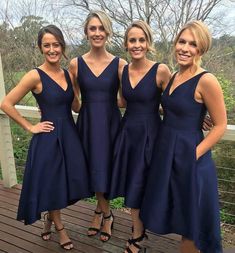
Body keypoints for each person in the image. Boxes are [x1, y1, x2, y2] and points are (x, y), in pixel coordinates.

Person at [0, 25, 92, 250]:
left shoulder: (69, 75)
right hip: (48, 137)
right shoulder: (34, 75)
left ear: (62, 46)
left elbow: (76, 106)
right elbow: (5, 103)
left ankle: (51, 218)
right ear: (41, 48)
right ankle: (60, 228)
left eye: (56, 44)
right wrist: (30, 126)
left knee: (70, 182)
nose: (52, 49)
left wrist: (80, 92)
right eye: (47, 45)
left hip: (70, 136)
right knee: (52, 183)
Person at [140, 20, 226, 253]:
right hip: (168, 155)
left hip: (191, 160)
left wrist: (193, 154)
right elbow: (174, 106)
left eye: (192, 44)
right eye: (182, 41)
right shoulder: (175, 75)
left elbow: (220, 125)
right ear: (175, 43)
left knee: (192, 225)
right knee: (177, 215)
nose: (185, 48)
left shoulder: (206, 80)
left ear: (201, 49)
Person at [108, 20, 171, 253]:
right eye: (132, 40)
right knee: (133, 184)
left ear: (148, 43)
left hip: (153, 135)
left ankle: (147, 229)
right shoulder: (123, 70)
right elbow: (123, 102)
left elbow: (174, 101)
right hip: (128, 134)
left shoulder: (161, 70)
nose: (136, 44)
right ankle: (137, 233)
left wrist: (197, 113)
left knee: (149, 185)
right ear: (126, 44)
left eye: (141, 40)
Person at [69, 10, 127, 242]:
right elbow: (74, 104)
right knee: (92, 167)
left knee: (105, 168)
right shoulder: (75, 64)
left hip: (111, 124)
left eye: (102, 28)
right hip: (87, 124)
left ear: (108, 32)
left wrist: (102, 102)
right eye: (93, 28)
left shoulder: (120, 64)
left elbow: (124, 100)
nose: (97, 32)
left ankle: (104, 213)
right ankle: (104, 213)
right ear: (86, 33)